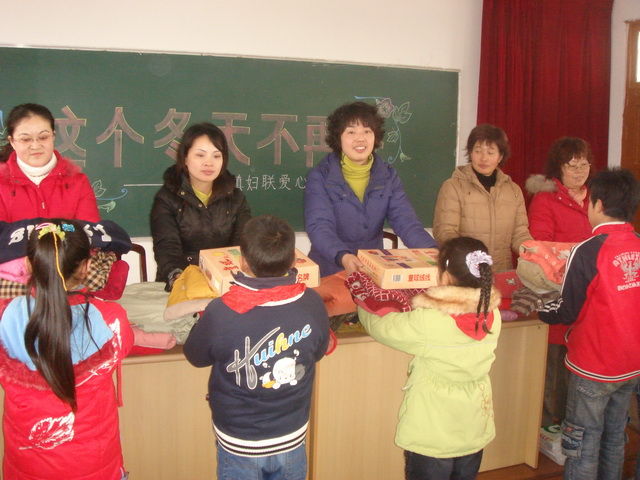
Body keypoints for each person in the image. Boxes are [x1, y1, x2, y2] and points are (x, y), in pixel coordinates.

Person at [184, 215, 330, 480]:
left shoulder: (222, 311)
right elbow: (318, 353)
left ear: (243, 261)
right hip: (292, 434)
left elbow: (195, 356)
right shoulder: (311, 302)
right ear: (293, 260)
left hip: (240, 441)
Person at [347, 236, 501, 480]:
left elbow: (382, 328)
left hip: (433, 434)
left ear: (445, 276)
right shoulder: (493, 311)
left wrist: (361, 299)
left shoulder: (431, 321)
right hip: (473, 426)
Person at [0, 219, 134, 480]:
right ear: (86, 267)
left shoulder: (5, 315)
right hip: (94, 465)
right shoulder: (110, 318)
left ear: (28, 263)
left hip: (26, 465)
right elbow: (125, 344)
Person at [538, 168, 640, 480]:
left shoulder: (588, 250)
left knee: (583, 443)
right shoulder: (638, 243)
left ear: (597, 204)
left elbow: (567, 310)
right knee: (614, 437)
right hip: (631, 365)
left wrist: (540, 308)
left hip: (593, 367)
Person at [304, 101, 437, 277]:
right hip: (331, 269)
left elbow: (405, 221)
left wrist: (432, 251)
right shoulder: (320, 177)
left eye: (367, 131)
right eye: (351, 132)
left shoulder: (388, 175)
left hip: (372, 269)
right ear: (338, 138)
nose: (360, 139)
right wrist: (343, 256)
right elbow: (319, 226)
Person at [526, 137, 595, 428]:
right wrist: (580, 255)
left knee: (580, 364)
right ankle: (544, 429)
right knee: (552, 366)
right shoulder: (546, 199)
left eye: (584, 165)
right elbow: (539, 245)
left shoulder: (596, 199)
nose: (579, 172)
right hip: (556, 291)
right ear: (558, 168)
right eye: (572, 166)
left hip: (590, 295)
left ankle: (571, 425)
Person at [150, 122, 251, 291]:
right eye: (200, 155)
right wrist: (179, 278)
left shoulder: (235, 198)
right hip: (181, 284)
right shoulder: (166, 198)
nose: (209, 163)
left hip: (225, 284)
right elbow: (167, 247)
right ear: (185, 158)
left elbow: (243, 243)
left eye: (216, 156)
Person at [433, 124, 532, 272]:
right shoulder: (453, 187)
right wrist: (469, 257)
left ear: (500, 157)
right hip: (465, 272)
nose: (483, 158)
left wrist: (533, 251)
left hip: (501, 272)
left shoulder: (513, 191)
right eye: (478, 151)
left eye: (490, 152)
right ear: (470, 153)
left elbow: (520, 233)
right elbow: (445, 232)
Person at [0, 103, 100, 222]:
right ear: (12, 141)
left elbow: (89, 230)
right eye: (25, 139)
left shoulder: (78, 182)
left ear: (53, 136)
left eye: (43, 137)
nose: (35, 146)